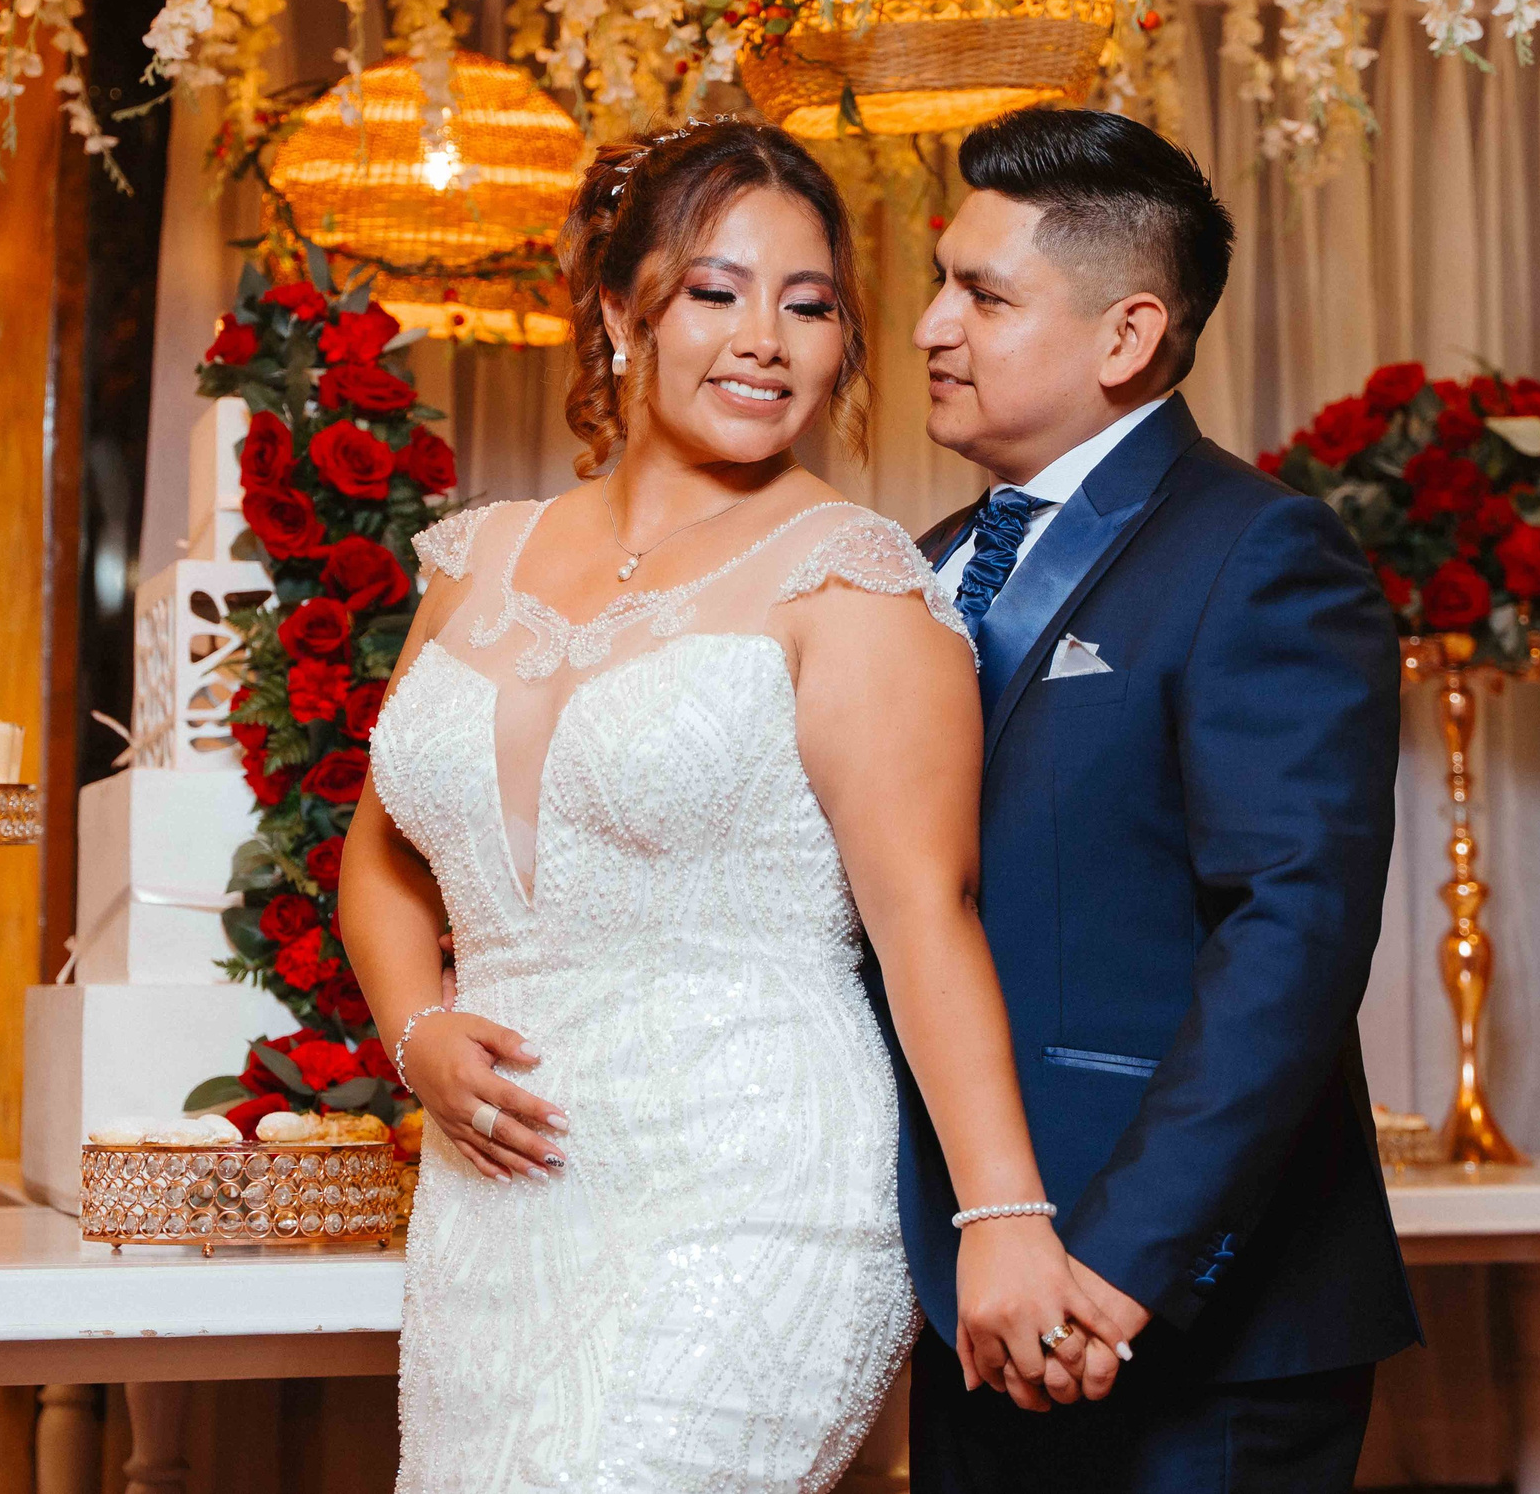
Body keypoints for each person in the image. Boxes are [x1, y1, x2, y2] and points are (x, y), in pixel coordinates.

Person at [338, 117, 1115, 1494]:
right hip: (497, 1204)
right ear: (620, 311)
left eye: (810, 306)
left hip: (753, 1192)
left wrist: (1004, 1210)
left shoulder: (852, 579)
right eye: (718, 291)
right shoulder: (477, 559)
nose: (768, 338)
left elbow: (927, 912)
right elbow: (384, 858)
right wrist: (417, 1035)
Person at [892, 106, 1422, 1492]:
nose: (929, 328)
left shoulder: (1261, 552)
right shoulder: (922, 565)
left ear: (1127, 336)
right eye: (938, 281)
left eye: (983, 293)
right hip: (968, 1291)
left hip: (1187, 1323)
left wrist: (1119, 1269)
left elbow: (1291, 931)